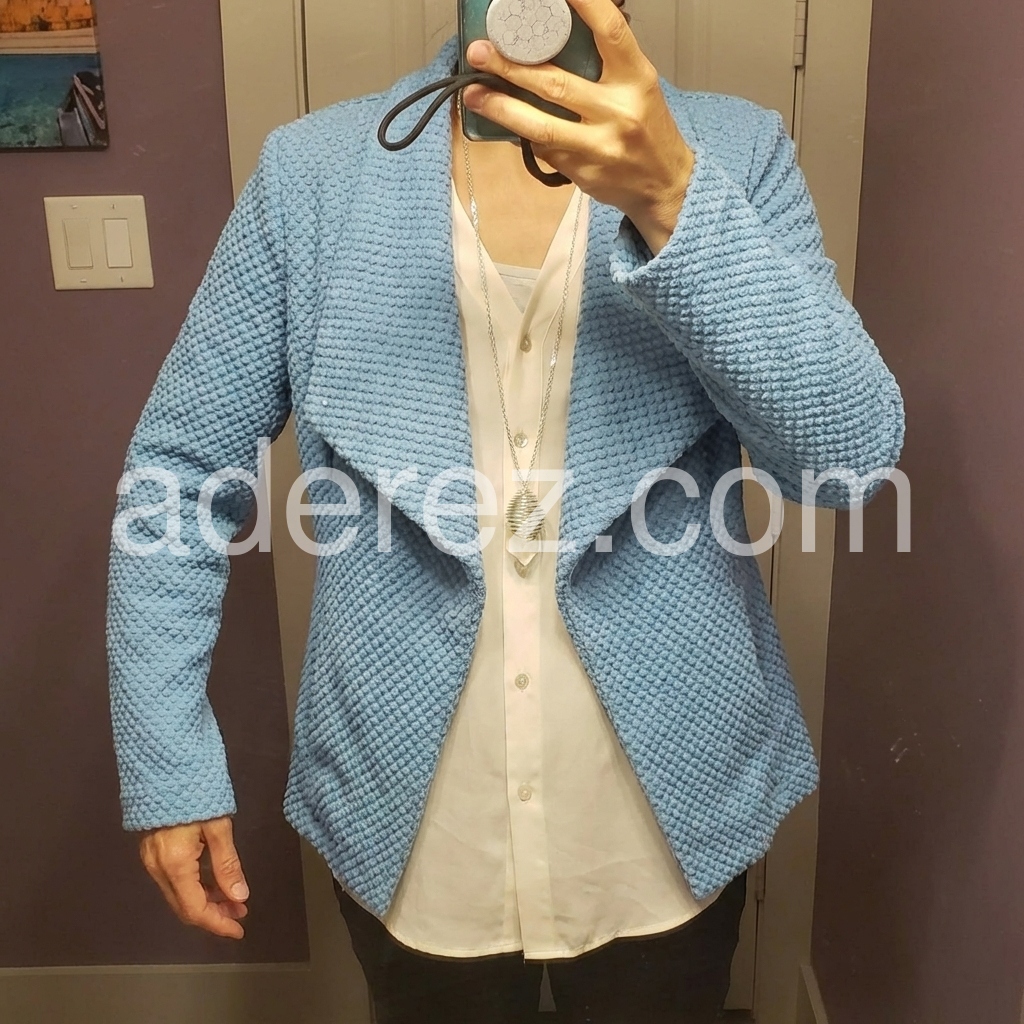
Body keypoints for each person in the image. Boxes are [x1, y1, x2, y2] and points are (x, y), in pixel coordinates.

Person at [105, 1, 905, 1021]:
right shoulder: (312, 177)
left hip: (666, 815)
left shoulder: (734, 154)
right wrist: (168, 758)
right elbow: (177, 474)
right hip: (412, 818)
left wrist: (672, 197)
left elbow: (847, 462)